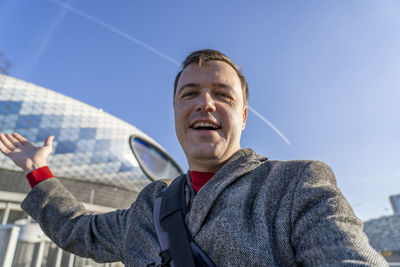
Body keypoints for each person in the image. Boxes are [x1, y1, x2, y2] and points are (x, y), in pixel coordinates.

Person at [0, 49, 387, 266]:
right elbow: (76, 230)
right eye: (190, 94)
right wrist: (38, 171)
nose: (205, 103)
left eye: (223, 94)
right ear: (174, 112)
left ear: (244, 116)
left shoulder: (296, 186)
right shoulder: (148, 209)